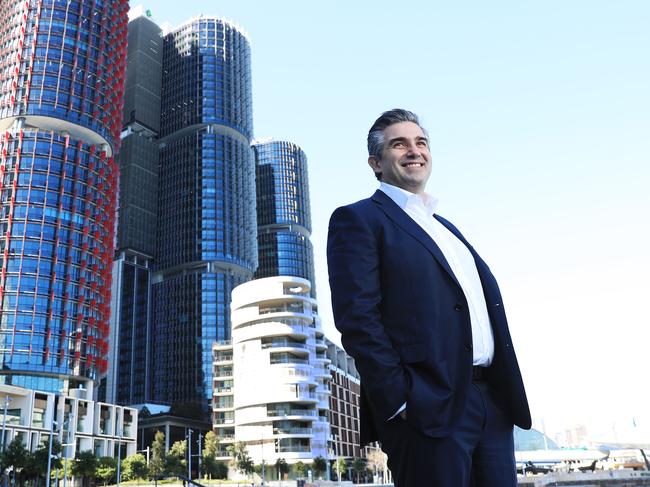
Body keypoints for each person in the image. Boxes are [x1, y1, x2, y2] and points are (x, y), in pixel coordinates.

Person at [326, 109, 531, 487]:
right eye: (398, 144)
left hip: (492, 403)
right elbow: (357, 319)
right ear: (376, 162)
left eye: (421, 142)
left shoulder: (445, 227)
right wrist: (402, 401)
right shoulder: (358, 219)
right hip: (428, 407)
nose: (413, 151)